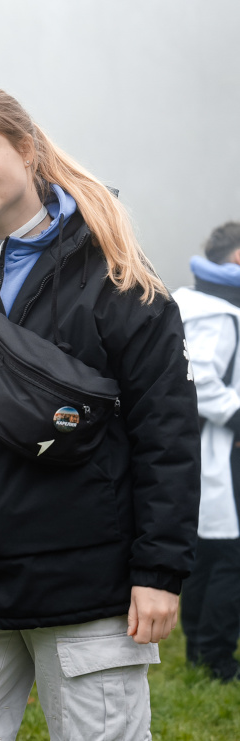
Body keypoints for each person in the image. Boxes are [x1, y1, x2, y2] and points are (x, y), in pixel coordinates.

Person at [0, 85, 200, 740]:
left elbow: (166, 430)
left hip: (86, 583)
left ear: (26, 150)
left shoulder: (114, 268)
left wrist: (159, 572)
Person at [174, 222, 240, 682]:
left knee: (209, 555)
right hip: (218, 452)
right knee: (229, 559)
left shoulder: (195, 302)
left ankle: (201, 655)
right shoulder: (217, 312)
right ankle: (216, 662)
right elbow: (200, 380)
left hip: (200, 453)